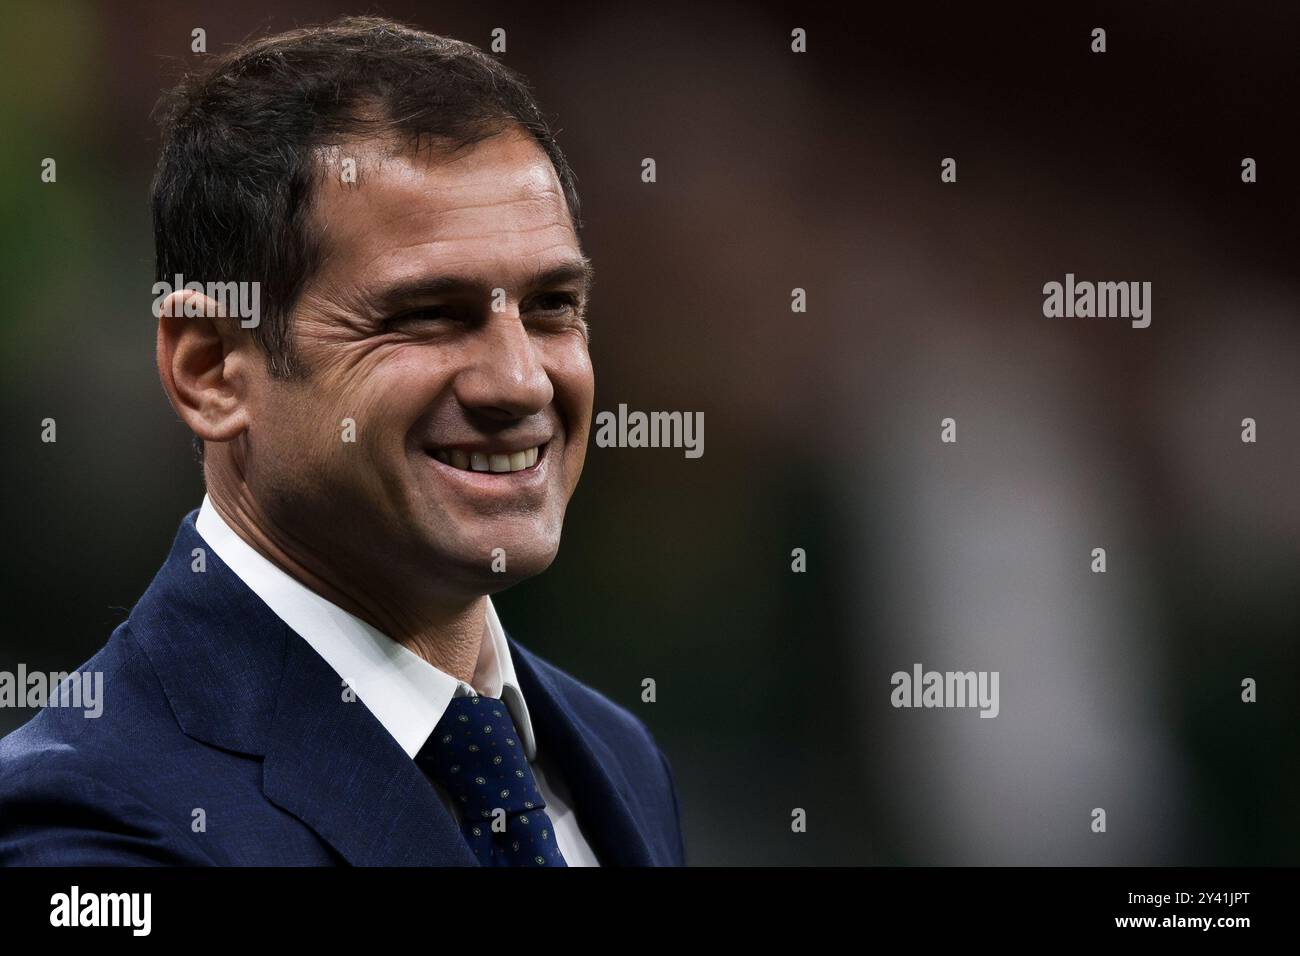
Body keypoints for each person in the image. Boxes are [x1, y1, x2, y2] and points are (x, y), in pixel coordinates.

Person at [0, 16, 685, 867]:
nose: (521, 382)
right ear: (211, 369)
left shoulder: (618, 759)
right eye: (429, 315)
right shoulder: (87, 823)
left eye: (551, 306)